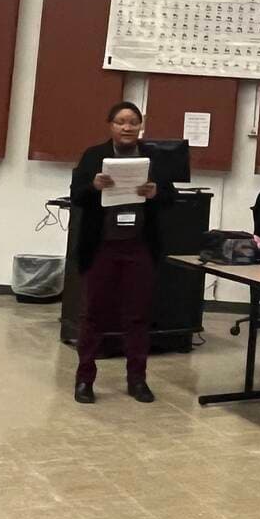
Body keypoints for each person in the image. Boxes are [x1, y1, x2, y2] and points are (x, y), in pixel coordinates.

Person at [69, 101, 177, 404]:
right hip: (101, 245)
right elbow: (76, 195)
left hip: (139, 246)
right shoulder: (93, 156)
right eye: (120, 122)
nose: (127, 127)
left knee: (138, 316)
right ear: (110, 125)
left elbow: (171, 197)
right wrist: (93, 186)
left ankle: (137, 380)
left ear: (141, 126)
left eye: (133, 122)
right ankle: (84, 381)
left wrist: (156, 193)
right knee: (92, 315)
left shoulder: (153, 157)